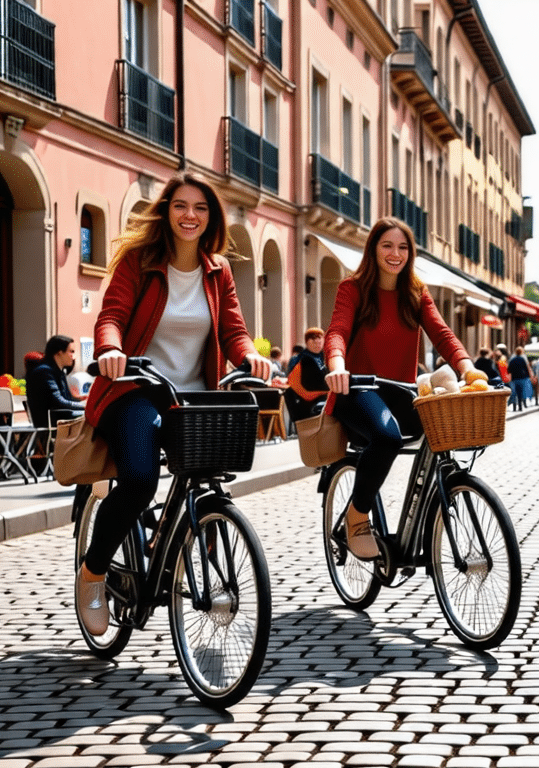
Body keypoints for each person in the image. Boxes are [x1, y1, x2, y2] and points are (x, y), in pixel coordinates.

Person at [78, 171, 271, 634]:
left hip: (194, 397)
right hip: (138, 391)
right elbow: (112, 317)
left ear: (211, 218)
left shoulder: (218, 270)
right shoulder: (140, 261)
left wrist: (250, 357)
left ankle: (175, 544)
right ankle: (93, 573)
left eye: (201, 208)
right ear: (166, 211)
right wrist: (109, 349)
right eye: (182, 206)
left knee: (208, 478)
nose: (191, 216)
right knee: (140, 481)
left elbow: (234, 329)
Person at [323, 217, 473, 559]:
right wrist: (337, 366)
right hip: (357, 391)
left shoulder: (417, 293)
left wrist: (468, 368)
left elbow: (443, 334)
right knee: (387, 438)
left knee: (444, 426)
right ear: (373, 249)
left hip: (399, 393)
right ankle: (357, 516)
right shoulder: (354, 288)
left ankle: (414, 525)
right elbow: (337, 331)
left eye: (403, 247)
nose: (395, 254)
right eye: (387, 246)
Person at [27, 334, 85, 432]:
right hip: (52, 421)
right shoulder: (45, 372)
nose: (73, 356)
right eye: (71, 352)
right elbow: (58, 402)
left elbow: (65, 399)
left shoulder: (57, 371)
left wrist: (81, 401)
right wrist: (85, 406)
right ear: (59, 353)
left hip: (59, 417)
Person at [284, 327, 328, 422]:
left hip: (321, 399)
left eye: (319, 342)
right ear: (307, 342)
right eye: (314, 342)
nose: (317, 345)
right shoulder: (301, 359)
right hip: (308, 402)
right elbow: (293, 382)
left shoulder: (324, 357)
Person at [507, 346, 532, 412]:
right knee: (520, 392)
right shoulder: (522, 359)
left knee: (514, 393)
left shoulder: (512, 360)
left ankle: (514, 407)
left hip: (514, 378)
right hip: (522, 378)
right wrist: (528, 376)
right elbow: (526, 369)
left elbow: (509, 370)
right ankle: (520, 407)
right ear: (521, 352)